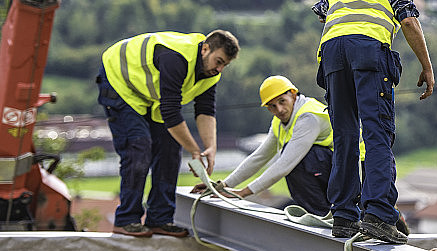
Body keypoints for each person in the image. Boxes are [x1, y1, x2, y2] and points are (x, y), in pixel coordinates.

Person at [312, 0, 435, 243]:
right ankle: (379, 214)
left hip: (332, 54)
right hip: (368, 52)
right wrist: (426, 66)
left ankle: (344, 215)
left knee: (345, 135)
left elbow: (324, 12)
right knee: (377, 132)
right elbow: (408, 20)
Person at [97, 30, 239, 238]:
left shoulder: (211, 74)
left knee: (170, 150)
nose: (219, 69)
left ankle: (160, 218)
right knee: (139, 147)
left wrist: (210, 147)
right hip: (120, 81)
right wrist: (194, 150)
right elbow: (171, 114)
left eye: (224, 65)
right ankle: (127, 220)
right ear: (205, 49)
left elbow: (205, 110)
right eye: (218, 61)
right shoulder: (176, 57)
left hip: (149, 96)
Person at [213, 76, 336, 216]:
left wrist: (243, 193)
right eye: (272, 106)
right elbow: (259, 157)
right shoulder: (278, 123)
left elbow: (285, 164)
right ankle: (316, 211)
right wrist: (223, 185)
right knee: (298, 157)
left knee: (302, 159)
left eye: (282, 101)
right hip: (331, 170)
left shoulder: (308, 117)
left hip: (347, 172)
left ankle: (322, 213)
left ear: (293, 95)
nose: (279, 110)